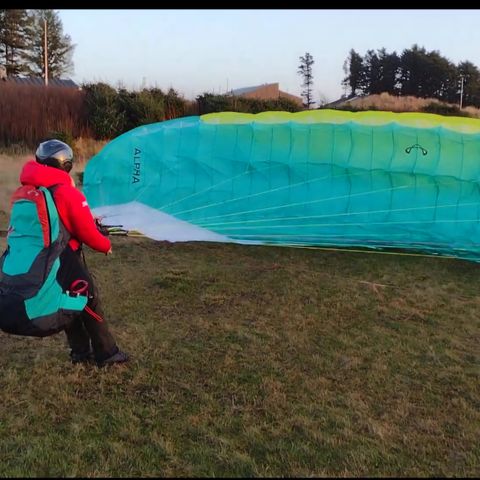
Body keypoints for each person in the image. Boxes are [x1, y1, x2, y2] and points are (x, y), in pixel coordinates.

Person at [0, 139, 128, 367]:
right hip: (63, 258)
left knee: (68, 296)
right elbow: (88, 233)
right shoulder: (67, 193)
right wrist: (105, 246)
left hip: (42, 259)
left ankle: (80, 352)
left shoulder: (27, 190)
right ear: (65, 164)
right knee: (88, 297)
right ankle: (107, 354)